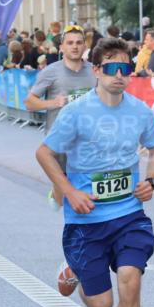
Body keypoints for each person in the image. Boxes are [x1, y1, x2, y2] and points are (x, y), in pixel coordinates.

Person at [35, 36, 154, 307]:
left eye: (126, 68)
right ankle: (73, 267)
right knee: (100, 305)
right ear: (97, 71)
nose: (120, 75)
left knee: (131, 279)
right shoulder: (76, 113)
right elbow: (45, 153)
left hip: (128, 214)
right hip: (87, 219)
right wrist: (70, 191)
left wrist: (151, 180)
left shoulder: (140, 111)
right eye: (112, 68)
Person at [25, 24, 94, 208]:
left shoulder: (94, 71)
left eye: (79, 42)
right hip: (59, 139)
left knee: (83, 190)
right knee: (62, 191)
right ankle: (57, 190)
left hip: (87, 139)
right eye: (70, 43)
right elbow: (30, 102)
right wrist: (53, 103)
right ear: (62, 47)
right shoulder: (51, 71)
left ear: (85, 46)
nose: (75, 46)